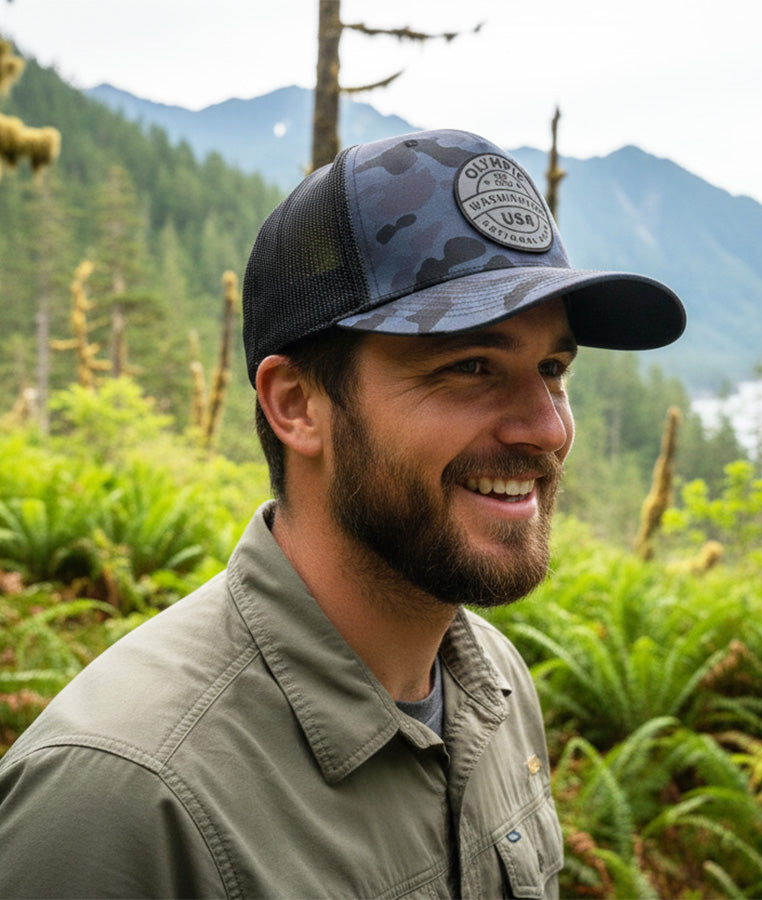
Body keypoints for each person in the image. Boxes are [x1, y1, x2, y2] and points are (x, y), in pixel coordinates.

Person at [0, 129, 685, 898]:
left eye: (551, 370)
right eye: (469, 367)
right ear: (297, 405)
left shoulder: (492, 686)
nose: (548, 428)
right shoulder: (120, 800)